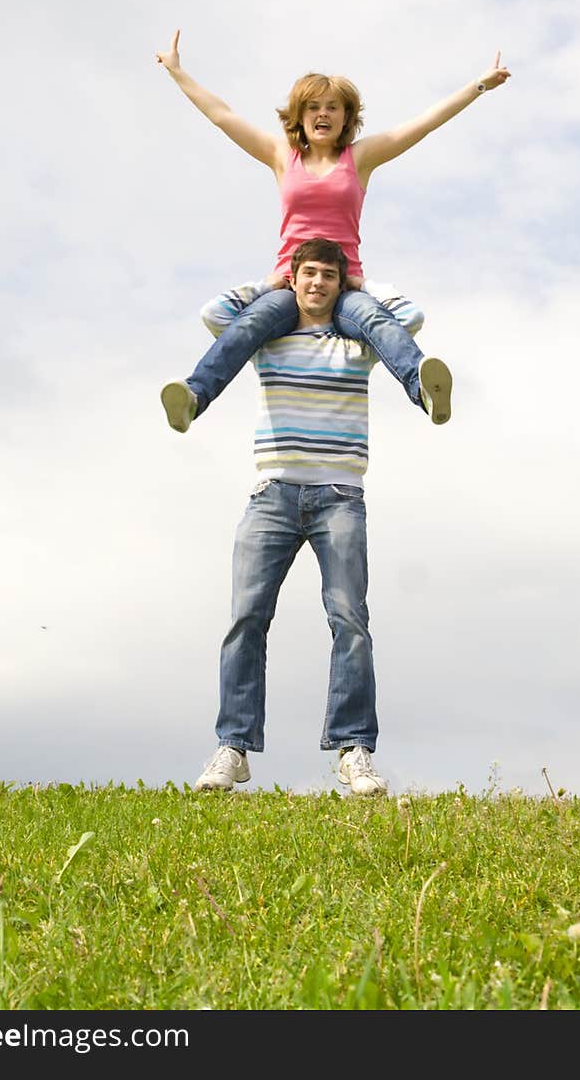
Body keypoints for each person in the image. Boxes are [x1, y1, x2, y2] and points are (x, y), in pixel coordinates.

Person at [154, 31, 510, 432]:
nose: (323, 114)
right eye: (314, 107)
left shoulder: (359, 158)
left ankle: (424, 390)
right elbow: (223, 115)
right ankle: (194, 398)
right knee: (250, 324)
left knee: (376, 320)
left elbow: (423, 124)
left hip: (343, 285)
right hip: (290, 285)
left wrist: (479, 86)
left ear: (346, 117)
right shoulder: (280, 156)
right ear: (300, 116)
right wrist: (177, 73)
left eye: (333, 107)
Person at [192, 237, 426, 796]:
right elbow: (215, 314)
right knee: (246, 618)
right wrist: (267, 286)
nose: (318, 283)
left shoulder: (358, 344)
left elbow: (410, 318)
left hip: (340, 496)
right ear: (295, 280)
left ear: (339, 285)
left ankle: (354, 750)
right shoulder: (268, 341)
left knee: (349, 620)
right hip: (272, 494)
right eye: (308, 274)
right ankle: (233, 748)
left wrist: (365, 290)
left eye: (328, 275)